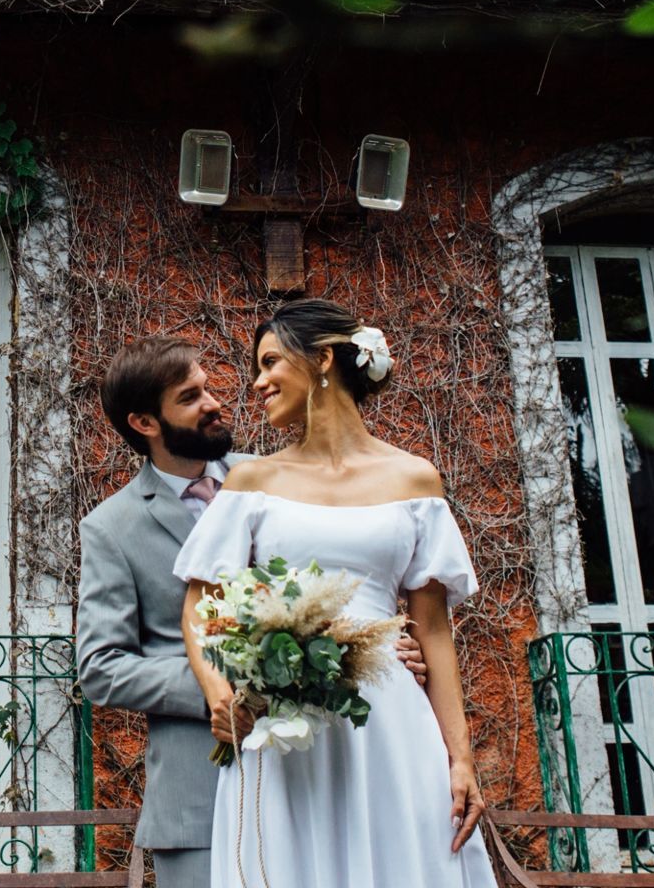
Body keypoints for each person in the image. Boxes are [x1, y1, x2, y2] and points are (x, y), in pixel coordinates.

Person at [76, 336, 426, 888]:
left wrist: (375, 647)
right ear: (144, 423)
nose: (215, 402)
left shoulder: (276, 480)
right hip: (198, 796)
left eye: (208, 387)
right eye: (190, 397)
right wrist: (234, 682)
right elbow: (100, 665)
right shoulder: (111, 528)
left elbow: (345, 582)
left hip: (314, 776)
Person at [175, 299, 497, 888]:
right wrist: (222, 695)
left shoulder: (416, 481)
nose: (258, 382)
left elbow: (434, 634)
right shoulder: (253, 482)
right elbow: (200, 605)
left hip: (388, 720)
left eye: (271, 362)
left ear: (322, 358)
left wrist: (461, 757)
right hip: (280, 726)